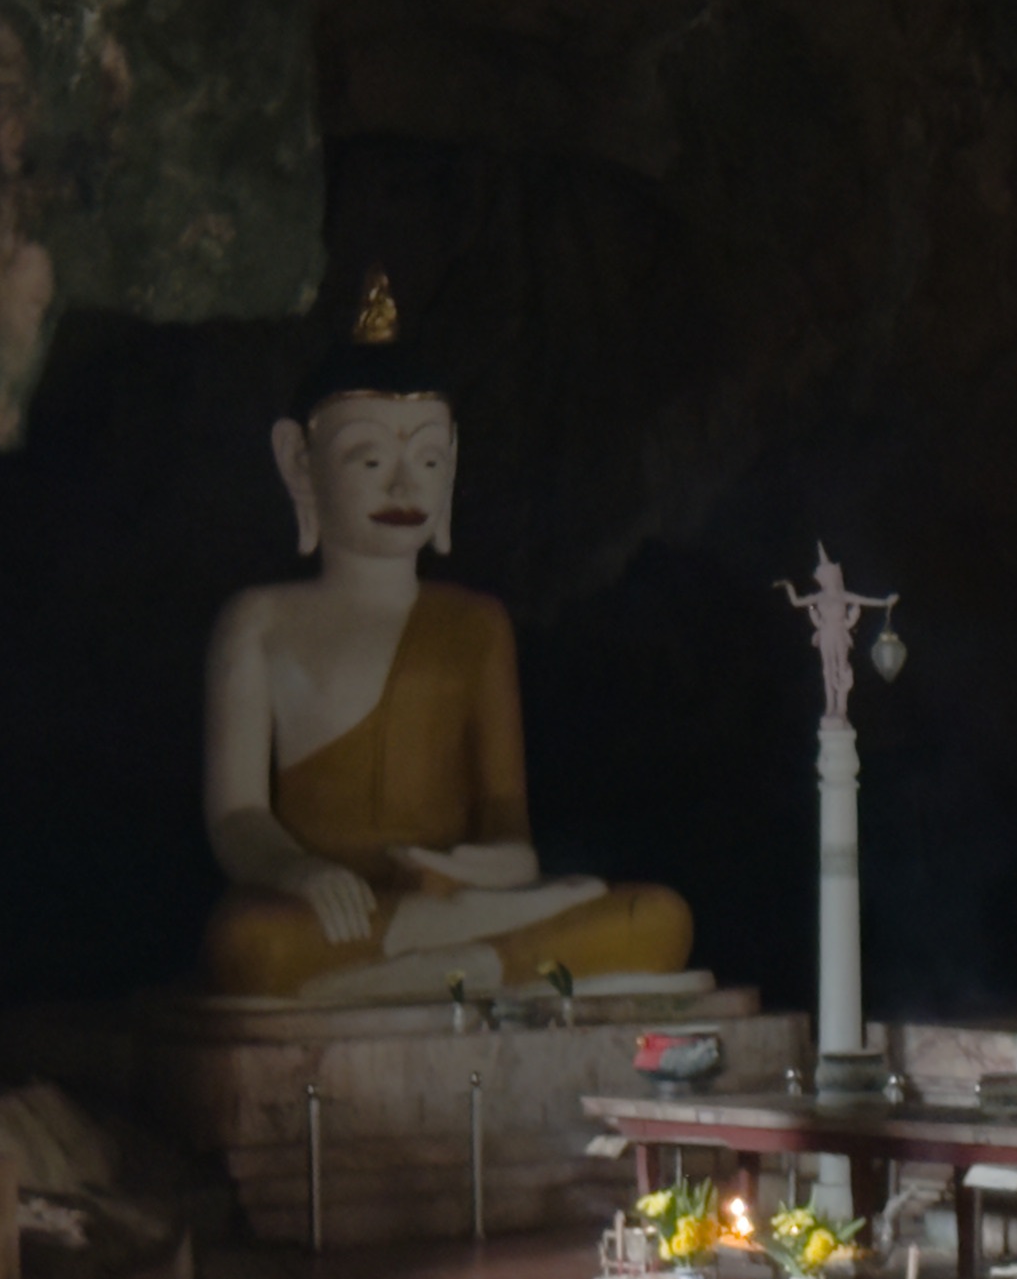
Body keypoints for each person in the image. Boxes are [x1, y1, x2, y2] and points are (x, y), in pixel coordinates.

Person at [199, 271, 692, 1001]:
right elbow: (238, 815)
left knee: (656, 917)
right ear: (299, 461)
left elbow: (510, 836)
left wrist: (470, 873)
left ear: (453, 465)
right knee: (250, 946)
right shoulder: (259, 620)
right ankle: (481, 966)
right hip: (328, 912)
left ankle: (435, 970)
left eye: (427, 461)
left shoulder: (474, 624)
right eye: (370, 460)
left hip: (453, 902)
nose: (404, 488)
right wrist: (299, 870)